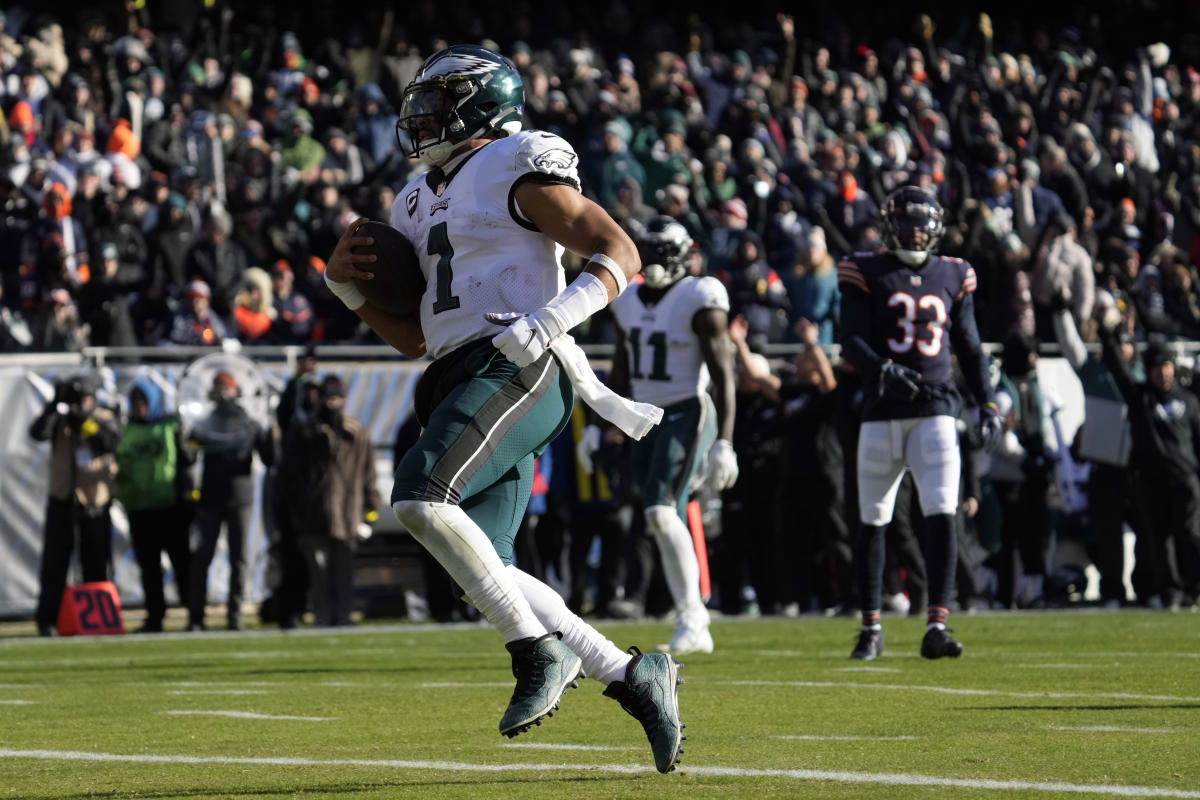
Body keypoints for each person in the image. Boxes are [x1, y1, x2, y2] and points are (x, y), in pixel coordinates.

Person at [322, 45, 683, 773]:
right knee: (484, 564)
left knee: (420, 499)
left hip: (517, 364)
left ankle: (535, 652)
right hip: (453, 371)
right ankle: (630, 673)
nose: (420, 116)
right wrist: (347, 291)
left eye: (438, 99)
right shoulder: (414, 197)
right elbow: (416, 335)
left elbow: (620, 251)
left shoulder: (515, 160)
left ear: (483, 102)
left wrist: (548, 323)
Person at [837, 185, 1001, 661]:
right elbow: (850, 339)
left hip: (936, 410)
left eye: (921, 222)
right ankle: (871, 626)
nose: (915, 231)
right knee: (873, 519)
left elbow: (969, 347)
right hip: (882, 412)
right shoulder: (864, 267)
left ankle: (937, 625)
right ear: (889, 225)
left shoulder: (955, 272)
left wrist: (987, 404)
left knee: (941, 512)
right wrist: (882, 371)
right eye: (906, 222)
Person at [609, 216, 738, 653]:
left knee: (663, 512)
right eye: (651, 251)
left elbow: (723, 374)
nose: (655, 261)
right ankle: (691, 616)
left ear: (683, 254)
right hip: (643, 415)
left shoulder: (700, 295)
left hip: (686, 410)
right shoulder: (626, 299)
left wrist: (725, 441)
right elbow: (623, 367)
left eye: (664, 252)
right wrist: (607, 426)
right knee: (655, 515)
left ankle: (693, 618)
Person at [278, 375, 381, 627]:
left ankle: (343, 616)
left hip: (347, 513)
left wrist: (371, 508)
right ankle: (323, 617)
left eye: (336, 398)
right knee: (319, 572)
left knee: (344, 571)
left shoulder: (356, 434)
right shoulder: (304, 433)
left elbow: (368, 474)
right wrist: (300, 506)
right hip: (314, 515)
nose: (331, 403)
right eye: (327, 398)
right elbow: (289, 477)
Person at [28, 371, 122, 636]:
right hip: (62, 500)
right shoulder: (60, 419)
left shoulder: (104, 417)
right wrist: (54, 406)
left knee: (95, 563)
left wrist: (83, 419)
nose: (80, 402)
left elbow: (108, 442)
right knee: (55, 565)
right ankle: (48, 620)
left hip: (93, 503)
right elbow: (38, 432)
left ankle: (98, 619)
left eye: (84, 397)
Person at [186, 371, 276, 631]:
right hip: (210, 498)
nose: (222, 393)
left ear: (236, 390)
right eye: (218, 388)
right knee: (202, 557)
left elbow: (270, 457)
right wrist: (185, 437)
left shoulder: (247, 420)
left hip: (240, 498)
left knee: (240, 559)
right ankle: (196, 618)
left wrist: (269, 429)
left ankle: (234, 616)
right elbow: (189, 456)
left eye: (226, 388)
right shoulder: (206, 421)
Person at [114, 375, 193, 633]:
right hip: (140, 508)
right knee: (149, 567)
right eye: (135, 402)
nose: (140, 407)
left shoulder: (170, 427)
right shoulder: (127, 430)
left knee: (182, 563)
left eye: (143, 401)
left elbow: (189, 458)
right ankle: (155, 615)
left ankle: (194, 613)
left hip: (170, 507)